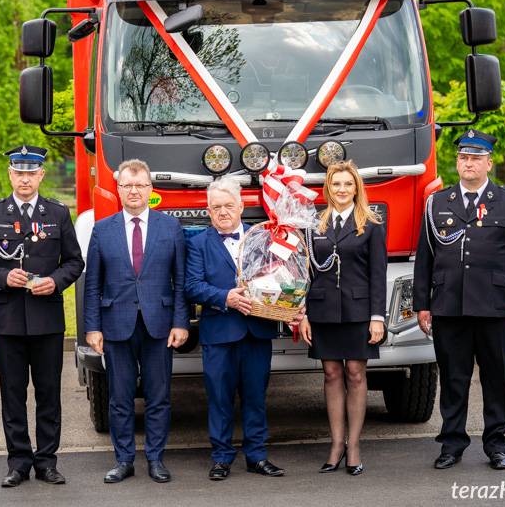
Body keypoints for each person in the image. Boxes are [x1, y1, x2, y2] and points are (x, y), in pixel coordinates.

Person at [414, 129, 505, 471]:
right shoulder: (437, 203)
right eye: (464, 158)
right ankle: (451, 444)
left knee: (497, 378)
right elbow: (425, 258)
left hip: (495, 308)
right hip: (449, 307)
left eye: (476, 158)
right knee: (453, 378)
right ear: (457, 162)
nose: (469, 163)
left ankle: (496, 444)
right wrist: (423, 303)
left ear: (489, 163)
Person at [0, 145, 84, 487]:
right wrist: (3, 277)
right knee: (13, 395)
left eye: (31, 173)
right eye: (19, 173)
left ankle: (47, 461)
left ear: (41, 176)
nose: (24, 179)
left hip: (47, 321)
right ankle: (18, 462)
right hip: (7, 322)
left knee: (49, 394)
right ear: (10, 175)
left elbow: (75, 262)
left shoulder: (59, 213)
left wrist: (55, 281)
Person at [83, 159, 189, 484]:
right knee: (119, 398)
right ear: (118, 189)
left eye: (140, 185)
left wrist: (181, 322)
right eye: (127, 185)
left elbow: (181, 281)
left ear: (150, 189)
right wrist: (92, 327)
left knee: (159, 397)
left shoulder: (170, 228)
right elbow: (92, 284)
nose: (133, 191)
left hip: (159, 324)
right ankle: (124, 460)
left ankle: (156, 459)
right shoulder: (102, 230)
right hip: (116, 325)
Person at [185, 176, 286, 481]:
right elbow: (191, 286)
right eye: (217, 207)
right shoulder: (198, 243)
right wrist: (224, 297)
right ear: (208, 210)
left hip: (256, 330)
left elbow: (280, 278)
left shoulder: (262, 239)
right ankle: (221, 457)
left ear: (242, 205)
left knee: (256, 396)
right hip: (219, 333)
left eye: (229, 205)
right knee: (219, 397)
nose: (223, 211)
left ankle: (257, 456)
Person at [298, 160, 386, 476]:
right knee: (332, 374)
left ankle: (355, 445)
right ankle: (336, 444)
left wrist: (378, 317)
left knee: (356, 373)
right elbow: (305, 274)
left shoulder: (372, 224)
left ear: (356, 188)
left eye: (348, 184)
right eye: (336, 184)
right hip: (322, 311)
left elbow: (378, 274)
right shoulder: (315, 225)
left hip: (359, 311)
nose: (342, 190)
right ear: (328, 189)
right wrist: (302, 314)